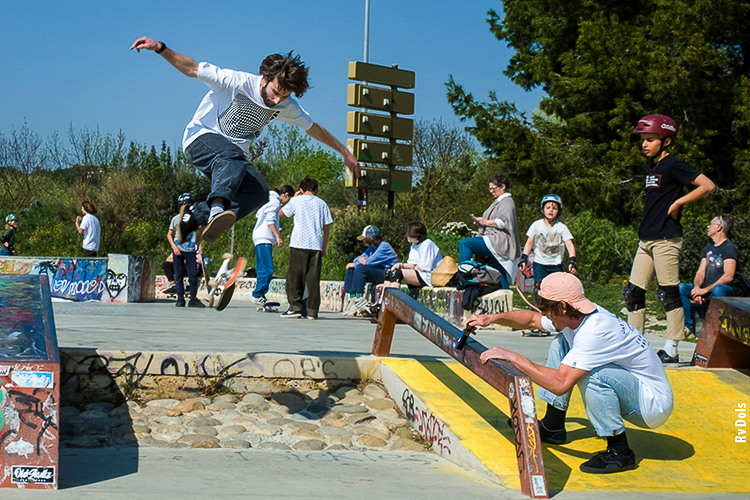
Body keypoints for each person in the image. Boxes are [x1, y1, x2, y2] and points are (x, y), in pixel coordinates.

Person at [130, 36, 359, 245]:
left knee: (258, 192)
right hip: (200, 139)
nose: (277, 99)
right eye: (275, 91)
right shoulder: (235, 81)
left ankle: (193, 217)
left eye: (284, 96)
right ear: (266, 78)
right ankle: (218, 207)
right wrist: (160, 48)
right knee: (234, 155)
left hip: (231, 162)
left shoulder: (286, 106)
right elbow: (192, 68)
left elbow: (313, 128)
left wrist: (344, 152)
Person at [466, 273, 674, 474]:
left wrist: (513, 357)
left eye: (547, 310)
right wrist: (492, 318)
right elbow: (531, 320)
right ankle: (552, 426)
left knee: (594, 376)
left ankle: (619, 451)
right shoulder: (575, 316)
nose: (544, 315)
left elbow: (560, 383)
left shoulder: (594, 331)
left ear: (562, 307)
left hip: (651, 404)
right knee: (562, 342)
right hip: (633, 385)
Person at [623, 114, 715, 364]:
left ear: (666, 141)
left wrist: (679, 201)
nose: (645, 144)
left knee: (668, 294)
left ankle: (672, 348)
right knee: (633, 292)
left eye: (650, 140)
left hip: (667, 239)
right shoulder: (650, 166)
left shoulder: (674, 165)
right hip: (646, 239)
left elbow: (707, 185)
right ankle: (635, 344)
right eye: (643, 140)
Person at [279, 177, 332, 319]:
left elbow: (281, 214)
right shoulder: (322, 203)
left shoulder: (296, 201)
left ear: (301, 190)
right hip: (315, 244)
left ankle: (295, 307)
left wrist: (293, 199)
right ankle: (312, 311)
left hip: (299, 243)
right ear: (316, 190)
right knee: (313, 279)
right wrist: (324, 248)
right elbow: (326, 228)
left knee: (295, 277)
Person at [679, 215, 740, 337]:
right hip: (706, 289)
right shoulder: (708, 248)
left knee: (718, 289)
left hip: (724, 290)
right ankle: (688, 326)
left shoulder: (729, 248)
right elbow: (700, 272)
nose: (708, 226)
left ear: (718, 227)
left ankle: (716, 329)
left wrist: (704, 290)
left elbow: (728, 276)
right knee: (682, 288)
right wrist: (697, 289)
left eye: (710, 224)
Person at [458, 171, 521, 289]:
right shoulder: (499, 201)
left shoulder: (507, 201)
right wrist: (482, 222)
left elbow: (505, 222)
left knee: (465, 243)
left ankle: (464, 276)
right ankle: (505, 299)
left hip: (498, 241)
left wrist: (486, 222)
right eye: (490, 189)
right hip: (495, 241)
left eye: (494, 188)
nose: (491, 191)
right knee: (498, 274)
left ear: (503, 186)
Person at [520, 194, 576, 294]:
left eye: (554, 208)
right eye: (548, 208)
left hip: (556, 264)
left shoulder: (561, 227)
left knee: (557, 289)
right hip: (540, 263)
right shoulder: (536, 225)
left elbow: (569, 244)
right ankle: (540, 308)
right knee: (539, 287)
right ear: (543, 210)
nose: (551, 210)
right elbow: (529, 243)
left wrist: (572, 261)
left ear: (558, 211)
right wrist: (523, 258)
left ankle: (555, 308)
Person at [251, 185, 294, 306]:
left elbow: (263, 214)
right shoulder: (274, 201)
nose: (288, 202)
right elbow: (270, 219)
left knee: (261, 269)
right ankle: (258, 294)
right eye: (289, 199)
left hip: (260, 238)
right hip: (265, 238)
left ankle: (260, 294)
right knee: (267, 269)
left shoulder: (268, 200)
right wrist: (277, 236)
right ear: (285, 194)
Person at [167, 193, 205, 308]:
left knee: (192, 274)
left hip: (190, 249)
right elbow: (169, 234)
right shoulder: (176, 218)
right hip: (178, 248)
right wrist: (174, 246)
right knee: (178, 274)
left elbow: (202, 231)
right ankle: (180, 298)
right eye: (184, 204)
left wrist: (200, 245)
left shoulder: (195, 217)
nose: (186, 206)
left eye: (189, 204)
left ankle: (193, 298)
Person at [344, 225, 399, 301]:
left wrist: (358, 262)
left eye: (365, 239)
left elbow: (369, 262)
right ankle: (350, 296)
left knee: (360, 268)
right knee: (351, 269)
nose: (364, 241)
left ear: (371, 238)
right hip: (378, 270)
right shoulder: (372, 248)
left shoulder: (384, 246)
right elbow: (357, 259)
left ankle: (359, 296)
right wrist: (358, 261)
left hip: (387, 273)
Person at [383, 222, 442, 289]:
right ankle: (384, 297)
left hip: (428, 276)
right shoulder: (414, 244)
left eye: (409, 233)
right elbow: (412, 264)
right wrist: (401, 265)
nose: (406, 235)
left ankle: (393, 297)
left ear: (416, 235)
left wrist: (415, 266)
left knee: (396, 274)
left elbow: (424, 268)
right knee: (388, 271)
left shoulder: (427, 244)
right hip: (418, 273)